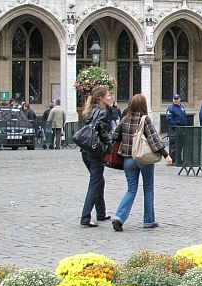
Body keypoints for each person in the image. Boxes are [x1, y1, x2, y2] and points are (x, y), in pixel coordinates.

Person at [111, 94, 173, 231]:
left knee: (131, 190)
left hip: (128, 158)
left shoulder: (125, 119)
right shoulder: (144, 119)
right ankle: (148, 221)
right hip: (143, 158)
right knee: (148, 188)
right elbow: (154, 139)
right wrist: (166, 155)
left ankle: (119, 217)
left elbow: (115, 136)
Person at [79, 86, 114, 227]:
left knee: (99, 181)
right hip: (95, 152)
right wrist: (111, 145)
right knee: (94, 183)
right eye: (108, 95)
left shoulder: (90, 111)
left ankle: (101, 212)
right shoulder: (102, 113)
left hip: (85, 151)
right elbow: (103, 133)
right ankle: (85, 217)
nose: (110, 97)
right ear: (101, 98)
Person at [165, 93, 187, 161]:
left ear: (180, 99)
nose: (176, 100)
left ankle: (179, 159)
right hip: (175, 129)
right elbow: (169, 119)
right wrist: (175, 126)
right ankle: (174, 160)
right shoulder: (171, 108)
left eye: (177, 99)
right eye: (175, 99)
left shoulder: (181, 107)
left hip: (182, 129)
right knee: (174, 145)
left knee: (180, 145)